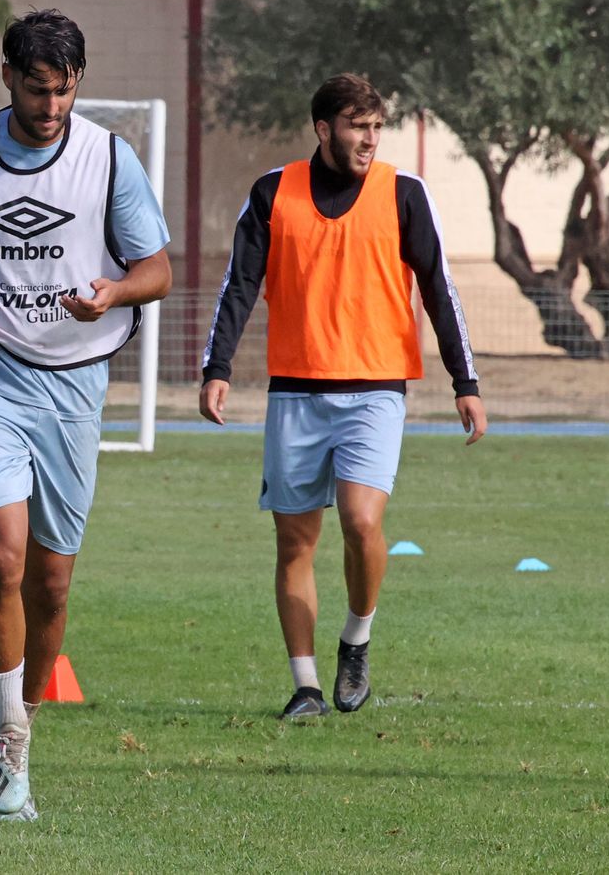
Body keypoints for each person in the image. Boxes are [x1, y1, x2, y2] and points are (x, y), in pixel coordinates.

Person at [0, 9, 171, 821]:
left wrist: (112, 293)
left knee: (51, 584)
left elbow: (157, 268)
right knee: (4, 561)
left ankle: (29, 724)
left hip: (76, 385)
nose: (51, 106)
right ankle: (7, 735)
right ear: (7, 76)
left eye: (65, 90)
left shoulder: (109, 159)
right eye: (38, 89)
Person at [199, 73, 487, 719]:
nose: (370, 139)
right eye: (359, 127)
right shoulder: (273, 193)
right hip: (295, 394)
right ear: (324, 129)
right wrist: (217, 367)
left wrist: (464, 382)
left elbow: (440, 289)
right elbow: (239, 286)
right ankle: (304, 688)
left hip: (376, 391)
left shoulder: (403, 194)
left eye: (377, 127)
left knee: (361, 523)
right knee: (295, 545)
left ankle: (355, 639)